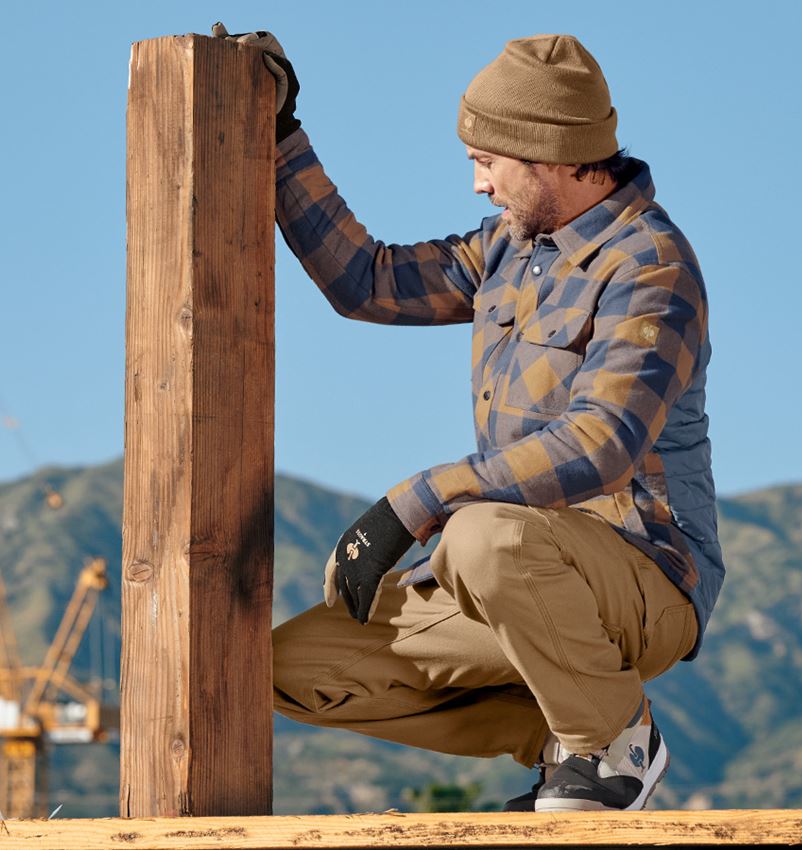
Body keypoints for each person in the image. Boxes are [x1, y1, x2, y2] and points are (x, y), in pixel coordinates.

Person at [212, 24, 725, 813]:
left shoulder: (650, 266)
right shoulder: (510, 250)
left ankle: (613, 742)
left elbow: (601, 443)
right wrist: (281, 133)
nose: (478, 185)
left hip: (639, 577)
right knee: (285, 668)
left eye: (487, 162)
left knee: (481, 533)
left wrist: (414, 501)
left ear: (550, 156)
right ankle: (562, 744)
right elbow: (367, 281)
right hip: (510, 577)